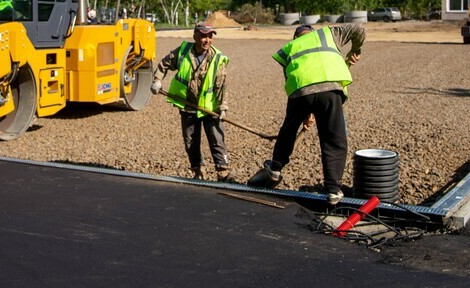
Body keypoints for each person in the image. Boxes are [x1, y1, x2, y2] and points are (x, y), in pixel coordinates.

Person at [247, 22, 364, 204]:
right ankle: (333, 190)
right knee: (333, 139)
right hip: (329, 90)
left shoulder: (291, 48)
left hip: (301, 94)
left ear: (295, 37)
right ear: (312, 33)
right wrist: (356, 49)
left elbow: (297, 82)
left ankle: (275, 169)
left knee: (288, 130)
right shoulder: (327, 35)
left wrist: (306, 113)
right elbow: (358, 29)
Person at [151, 22, 232, 181]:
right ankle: (198, 171)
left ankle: (223, 173)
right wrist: (157, 79)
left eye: (210, 36)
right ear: (195, 36)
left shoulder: (218, 58)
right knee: (191, 142)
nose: (207, 40)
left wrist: (223, 106)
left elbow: (223, 85)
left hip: (210, 108)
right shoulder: (183, 52)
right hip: (188, 106)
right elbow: (164, 64)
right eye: (203, 36)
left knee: (217, 140)